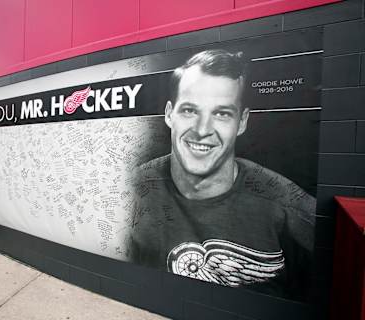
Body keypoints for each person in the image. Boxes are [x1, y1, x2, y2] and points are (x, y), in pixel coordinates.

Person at [129, 49, 316, 300]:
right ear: (169, 114)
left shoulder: (289, 208)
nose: (202, 130)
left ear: (242, 122)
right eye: (189, 110)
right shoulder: (131, 188)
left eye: (221, 114)